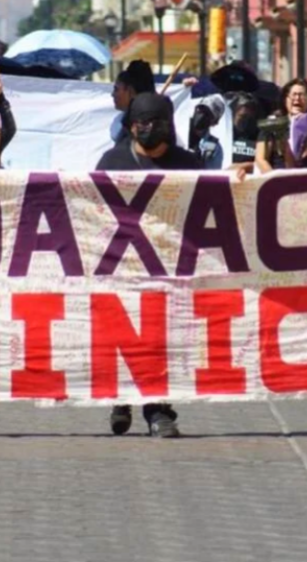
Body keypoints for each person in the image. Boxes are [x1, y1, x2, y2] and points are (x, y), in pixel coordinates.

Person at [96, 92, 200, 438]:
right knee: (126, 337)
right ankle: (122, 396)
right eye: (144, 122)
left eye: (159, 121)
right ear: (131, 126)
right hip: (123, 268)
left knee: (163, 339)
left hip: (170, 269)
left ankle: (158, 410)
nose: (151, 128)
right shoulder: (112, 162)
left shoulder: (188, 164)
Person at [255, 77, 307, 173]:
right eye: (293, 95)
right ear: (285, 100)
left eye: (302, 95)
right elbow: (260, 159)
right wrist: (276, 180)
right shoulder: (273, 124)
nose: (297, 98)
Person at [109, 59, 155, 144]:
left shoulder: (153, 126)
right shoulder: (120, 121)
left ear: (131, 91)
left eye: (116, 89)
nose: (113, 94)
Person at [187, 96, 225, 169]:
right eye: (200, 110)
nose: (201, 115)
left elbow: (211, 178)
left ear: (214, 122)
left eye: (208, 114)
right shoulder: (179, 128)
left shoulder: (214, 148)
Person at [229, 92, 262, 165]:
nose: (245, 120)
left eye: (249, 117)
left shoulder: (259, 136)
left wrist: (245, 166)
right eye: (242, 116)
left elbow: (262, 161)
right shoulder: (223, 135)